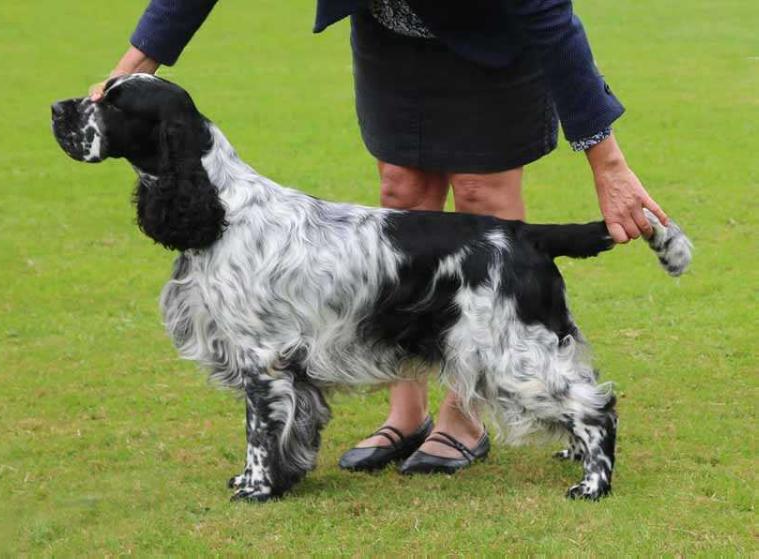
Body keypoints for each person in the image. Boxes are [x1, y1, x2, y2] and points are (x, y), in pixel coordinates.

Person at [91, 0, 669, 475]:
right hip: (390, 32)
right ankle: (405, 410)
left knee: (480, 199)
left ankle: (463, 416)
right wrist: (129, 72)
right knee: (400, 188)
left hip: (493, 35)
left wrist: (607, 162)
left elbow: (548, 14)